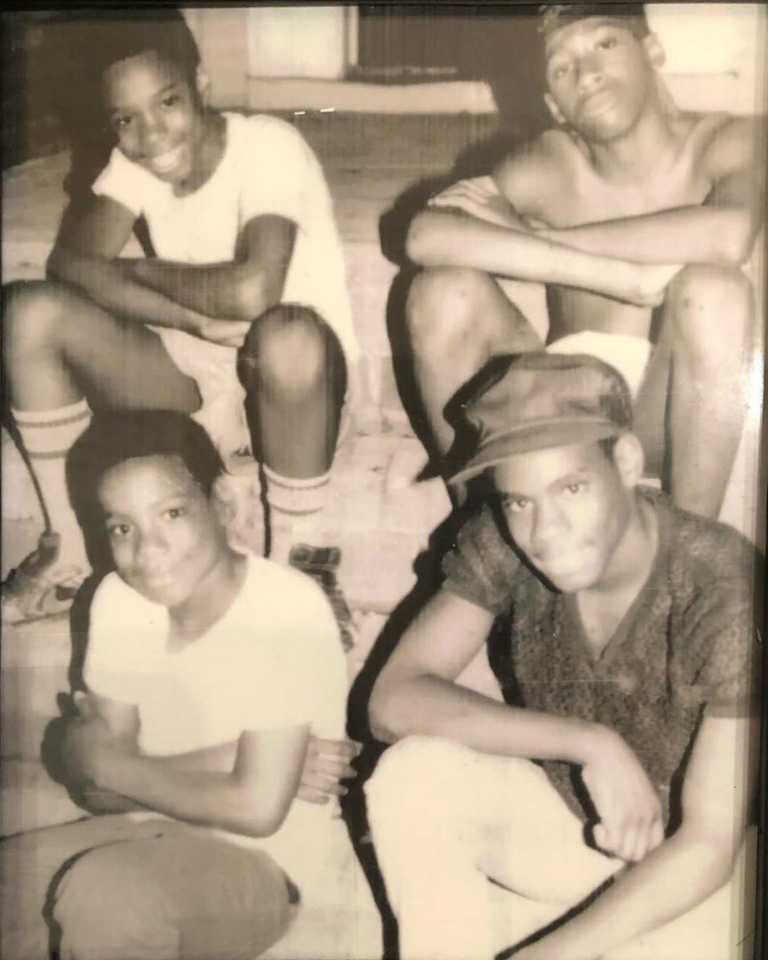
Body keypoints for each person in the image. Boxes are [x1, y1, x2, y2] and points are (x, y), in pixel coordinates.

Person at [365, 352, 762, 960]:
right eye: (519, 501)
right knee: (412, 775)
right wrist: (588, 742)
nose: (545, 532)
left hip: (703, 880)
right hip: (576, 833)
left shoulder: (723, 585)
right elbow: (393, 700)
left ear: (626, 462)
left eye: (572, 488)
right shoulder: (505, 539)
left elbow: (710, 843)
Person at [2, 8, 358, 624]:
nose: (151, 135)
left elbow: (252, 294)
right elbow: (69, 263)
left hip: (297, 386)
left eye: (167, 103)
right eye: (125, 119)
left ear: (203, 87)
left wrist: (133, 271)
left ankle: (305, 560)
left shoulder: (268, 145)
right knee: (27, 313)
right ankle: (69, 553)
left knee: (287, 332)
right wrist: (190, 320)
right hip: (195, 371)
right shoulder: (133, 161)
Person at [0, 409, 361, 960]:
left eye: (171, 513)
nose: (148, 550)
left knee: (108, 895)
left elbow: (257, 813)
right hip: (136, 829)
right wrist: (233, 758)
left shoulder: (284, 609)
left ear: (222, 504)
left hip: (260, 865)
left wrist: (104, 760)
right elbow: (96, 794)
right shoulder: (120, 601)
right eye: (123, 527)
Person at [402, 2, 763, 518]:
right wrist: (623, 280)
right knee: (441, 292)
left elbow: (730, 234)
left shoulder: (728, 140)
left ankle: (686, 555)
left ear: (653, 51)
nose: (587, 73)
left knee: (715, 290)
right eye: (562, 66)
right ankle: (483, 535)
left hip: (670, 412)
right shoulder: (549, 162)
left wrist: (527, 237)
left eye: (606, 44)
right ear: (554, 103)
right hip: (561, 403)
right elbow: (426, 235)